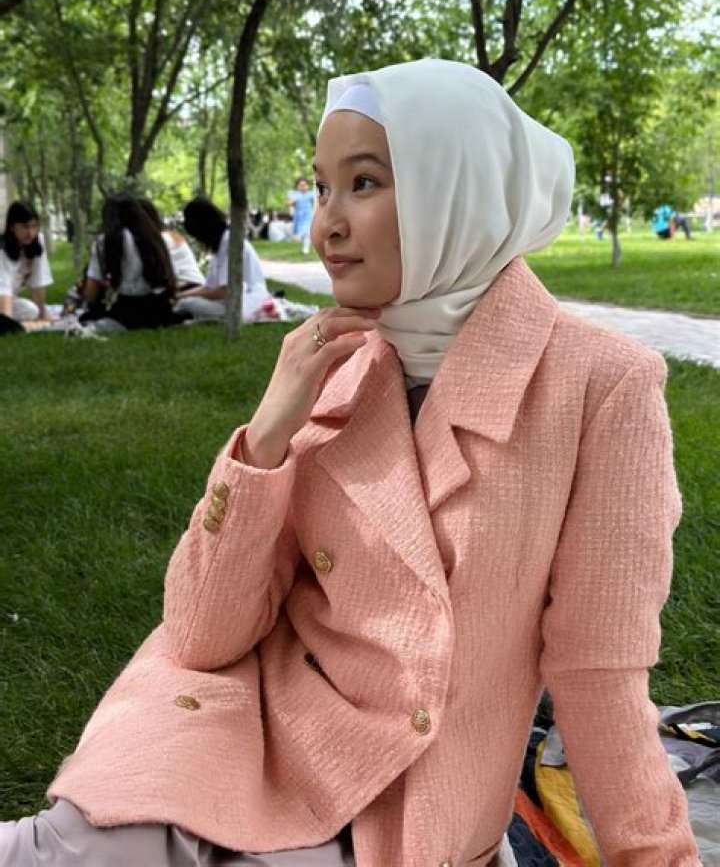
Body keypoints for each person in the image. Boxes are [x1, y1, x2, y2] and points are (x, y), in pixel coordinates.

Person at [0, 60, 699, 866]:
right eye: (322, 187)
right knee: (58, 852)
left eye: (363, 184)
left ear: (456, 190)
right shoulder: (339, 364)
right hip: (241, 729)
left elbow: (597, 674)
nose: (324, 227)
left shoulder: (600, 386)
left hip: (397, 805)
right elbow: (200, 633)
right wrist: (266, 436)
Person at [83, 194, 180, 331]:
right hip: (160, 308)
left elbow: (91, 289)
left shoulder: (105, 241)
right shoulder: (155, 238)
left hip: (128, 310)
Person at [175, 197, 268, 321]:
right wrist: (179, 295)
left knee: (187, 304)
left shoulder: (229, 244)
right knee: (185, 301)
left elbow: (224, 291)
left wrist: (182, 297)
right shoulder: (220, 246)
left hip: (247, 303)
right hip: (231, 301)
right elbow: (208, 287)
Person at [0, 200, 53, 323]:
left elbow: (38, 283)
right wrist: (7, 321)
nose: (30, 233)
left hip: (9, 298)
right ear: (12, 227)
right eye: (25, 227)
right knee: (6, 320)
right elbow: (3, 290)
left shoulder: (37, 246)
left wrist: (42, 316)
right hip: (3, 296)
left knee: (31, 310)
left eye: (34, 226)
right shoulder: (2, 252)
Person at [138, 197, 206, 291]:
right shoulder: (169, 234)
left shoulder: (163, 239)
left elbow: (162, 275)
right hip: (193, 286)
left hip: (187, 288)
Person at [289, 176, 315, 254]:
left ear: (307, 186)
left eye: (304, 185)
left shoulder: (311, 194)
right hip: (299, 216)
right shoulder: (295, 194)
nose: (303, 187)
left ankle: (306, 248)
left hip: (308, 215)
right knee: (301, 233)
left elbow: (317, 203)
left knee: (307, 231)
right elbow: (290, 203)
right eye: (301, 185)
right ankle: (306, 242)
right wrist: (293, 202)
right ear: (298, 186)